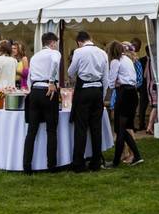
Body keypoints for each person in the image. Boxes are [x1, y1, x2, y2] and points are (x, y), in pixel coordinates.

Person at [68, 30, 109, 172]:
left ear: (79, 42)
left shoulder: (79, 52)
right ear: (90, 39)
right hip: (97, 91)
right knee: (96, 129)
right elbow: (106, 78)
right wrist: (102, 97)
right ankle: (96, 163)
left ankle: (78, 164)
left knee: (81, 128)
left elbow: (71, 72)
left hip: (84, 91)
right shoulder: (103, 53)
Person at [23, 32, 62, 174]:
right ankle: (51, 166)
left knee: (31, 131)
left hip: (34, 91)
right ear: (52, 43)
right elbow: (56, 63)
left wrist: (29, 90)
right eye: (55, 43)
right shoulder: (55, 53)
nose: (56, 45)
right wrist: (52, 81)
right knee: (51, 130)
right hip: (48, 91)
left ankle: (26, 166)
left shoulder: (34, 57)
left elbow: (29, 77)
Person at [108, 41, 144, 167]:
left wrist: (116, 82)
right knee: (124, 128)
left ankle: (115, 161)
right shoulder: (128, 60)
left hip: (123, 94)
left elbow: (111, 83)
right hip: (133, 94)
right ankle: (136, 156)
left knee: (119, 129)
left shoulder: (115, 62)